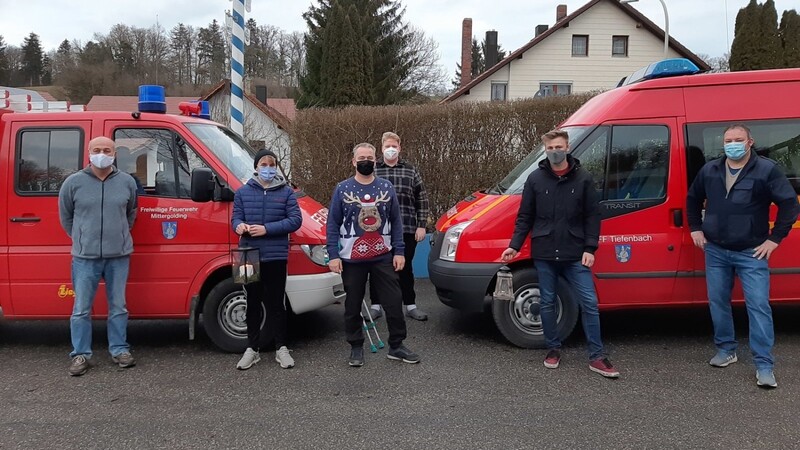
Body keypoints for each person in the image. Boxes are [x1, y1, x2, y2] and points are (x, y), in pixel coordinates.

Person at [687, 124, 799, 389]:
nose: (733, 144)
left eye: (738, 139)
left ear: (750, 142)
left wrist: (774, 239)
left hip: (752, 252)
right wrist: (695, 228)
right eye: (728, 140)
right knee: (718, 302)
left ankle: (764, 365)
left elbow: (789, 204)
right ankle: (727, 349)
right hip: (715, 249)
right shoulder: (711, 169)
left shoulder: (766, 169)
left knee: (758, 306)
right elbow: (692, 199)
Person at [501, 129, 619, 378]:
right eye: (550, 148)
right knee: (546, 303)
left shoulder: (584, 178)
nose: (555, 152)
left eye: (559, 147)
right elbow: (525, 217)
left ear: (567, 148)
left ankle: (596, 356)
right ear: (546, 150)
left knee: (589, 303)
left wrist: (590, 248)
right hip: (544, 253)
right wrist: (514, 245)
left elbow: (592, 216)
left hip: (576, 254)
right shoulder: (535, 179)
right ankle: (553, 349)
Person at [327, 143, 420, 367]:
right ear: (353, 162)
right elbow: (333, 223)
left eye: (369, 157)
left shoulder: (386, 188)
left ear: (375, 160)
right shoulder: (342, 189)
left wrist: (399, 251)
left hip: (383, 257)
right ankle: (356, 347)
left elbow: (396, 221)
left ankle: (396, 346)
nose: (365, 161)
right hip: (352, 259)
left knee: (394, 301)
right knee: (353, 305)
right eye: (361, 158)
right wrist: (333, 254)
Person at [58, 136, 138, 377]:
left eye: (107, 150)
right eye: (97, 150)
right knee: (81, 308)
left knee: (118, 306)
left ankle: (120, 350)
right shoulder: (73, 183)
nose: (101, 154)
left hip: (119, 255)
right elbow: (66, 216)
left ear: (114, 154)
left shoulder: (127, 182)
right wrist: (81, 238)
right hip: (85, 257)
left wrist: (120, 234)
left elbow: (131, 212)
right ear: (89, 153)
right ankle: (81, 354)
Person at [232, 149, 302, 370]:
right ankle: (252, 349)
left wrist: (266, 230)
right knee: (251, 302)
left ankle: (282, 348)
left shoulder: (287, 193)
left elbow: (295, 221)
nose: (268, 168)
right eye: (264, 164)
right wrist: (239, 226)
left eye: (272, 164)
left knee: (276, 303)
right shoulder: (242, 192)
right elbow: (235, 217)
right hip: (247, 255)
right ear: (256, 167)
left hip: (276, 255)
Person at [368, 131, 430, 321]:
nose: (391, 150)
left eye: (394, 146)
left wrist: (422, 225)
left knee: (405, 267)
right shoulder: (374, 170)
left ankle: (410, 305)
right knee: (377, 267)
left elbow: (422, 198)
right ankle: (376, 305)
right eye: (387, 146)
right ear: (382, 148)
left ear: (400, 148)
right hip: (379, 230)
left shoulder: (410, 170)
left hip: (407, 228)